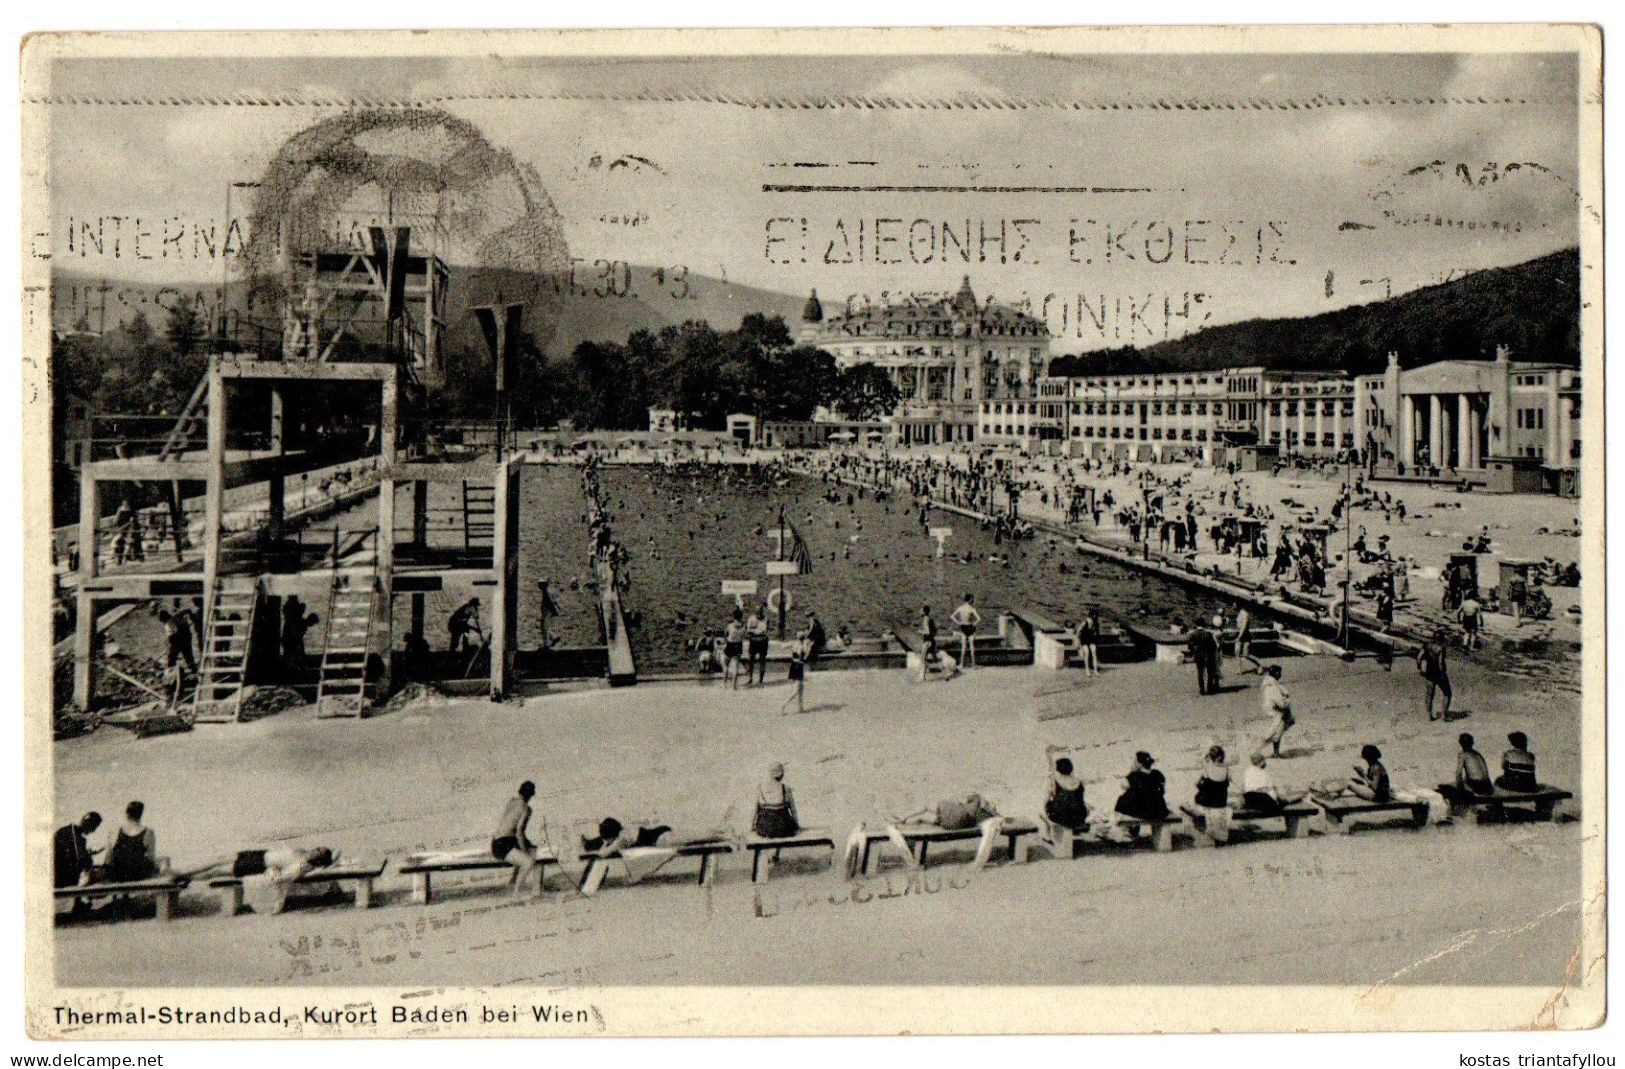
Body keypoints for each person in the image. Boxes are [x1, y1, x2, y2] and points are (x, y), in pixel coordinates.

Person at [492, 781, 545, 897]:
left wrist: (526, 845)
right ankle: (516, 893)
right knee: (528, 862)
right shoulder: (526, 809)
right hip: (504, 845)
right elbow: (519, 832)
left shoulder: (512, 801)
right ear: (530, 795)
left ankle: (535, 891)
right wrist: (525, 849)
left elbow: (510, 827)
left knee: (535, 853)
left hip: (497, 843)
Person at [103, 801, 158, 883]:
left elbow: (108, 856)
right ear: (141, 814)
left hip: (117, 875)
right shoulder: (149, 832)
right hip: (138, 875)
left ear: (126, 814)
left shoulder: (115, 831)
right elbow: (151, 858)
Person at [53, 812, 103, 900]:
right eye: (93, 826)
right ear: (86, 822)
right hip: (63, 883)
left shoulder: (76, 837)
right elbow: (77, 859)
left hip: (68, 883)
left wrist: (88, 854)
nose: (93, 831)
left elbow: (79, 857)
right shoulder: (67, 834)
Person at [1241, 752, 1306, 813]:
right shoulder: (1264, 773)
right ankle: (1294, 800)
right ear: (1261, 762)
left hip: (1250, 800)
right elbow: (1270, 790)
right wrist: (1277, 799)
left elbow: (1244, 788)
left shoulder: (1247, 771)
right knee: (1280, 801)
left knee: (1281, 800)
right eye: (1264, 761)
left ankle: (1288, 801)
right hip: (1264, 801)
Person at [1114, 751, 1169, 822]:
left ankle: (1131, 829)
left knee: (1123, 800)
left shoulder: (1135, 776)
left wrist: (1132, 772)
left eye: (1135, 761)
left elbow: (1123, 785)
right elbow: (1162, 785)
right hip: (1159, 810)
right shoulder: (1156, 773)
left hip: (1145, 811)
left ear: (1140, 764)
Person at [1193, 745, 1233, 844]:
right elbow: (1228, 781)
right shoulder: (1226, 767)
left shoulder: (1208, 767)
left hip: (1207, 800)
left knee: (1196, 798)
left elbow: (1197, 783)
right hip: (1221, 800)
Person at [753, 763, 800, 838]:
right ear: (782, 774)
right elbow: (793, 810)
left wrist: (752, 827)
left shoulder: (761, 787)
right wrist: (797, 826)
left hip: (765, 828)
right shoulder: (785, 788)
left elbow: (755, 810)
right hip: (783, 828)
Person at [1044, 757, 1089, 833]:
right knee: (1085, 805)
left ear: (1057, 769)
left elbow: (1047, 799)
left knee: (1047, 803)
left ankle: (1049, 830)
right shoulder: (1079, 781)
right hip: (1079, 816)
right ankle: (1076, 825)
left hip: (1060, 817)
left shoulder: (1055, 781)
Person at [1259, 664, 1296, 757]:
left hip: (1271, 710)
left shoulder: (1269, 683)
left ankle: (1275, 753)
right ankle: (1257, 752)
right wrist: (1287, 700)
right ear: (1276, 673)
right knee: (1273, 734)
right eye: (1279, 673)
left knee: (1276, 733)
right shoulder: (1273, 686)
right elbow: (1281, 703)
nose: (1280, 675)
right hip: (1277, 712)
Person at [1418, 633, 1453, 721]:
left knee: (1429, 694)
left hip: (1429, 672)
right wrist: (1442, 673)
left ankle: (1429, 715)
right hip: (1439, 673)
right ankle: (1444, 715)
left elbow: (1419, 657)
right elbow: (1440, 662)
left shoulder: (1427, 645)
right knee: (1447, 693)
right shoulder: (1441, 647)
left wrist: (1419, 668)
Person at [1453, 733, 1495, 797]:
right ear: (1472, 743)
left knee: (1456, 785)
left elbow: (1459, 773)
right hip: (1487, 785)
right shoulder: (1477, 754)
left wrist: (1459, 789)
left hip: (1476, 786)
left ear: (1461, 743)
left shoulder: (1463, 754)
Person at [782, 629, 809, 715]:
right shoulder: (802, 646)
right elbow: (804, 657)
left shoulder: (794, 643)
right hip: (799, 666)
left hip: (794, 665)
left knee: (801, 688)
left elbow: (783, 646)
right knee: (797, 690)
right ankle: (783, 705)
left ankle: (800, 707)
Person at [950, 593, 981, 667]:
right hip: (970, 627)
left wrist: (959, 623)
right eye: (972, 599)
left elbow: (952, 616)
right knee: (971, 647)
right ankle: (973, 664)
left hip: (963, 627)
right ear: (970, 599)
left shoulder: (961, 608)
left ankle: (961, 664)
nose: (973, 600)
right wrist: (974, 624)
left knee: (963, 647)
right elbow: (979, 619)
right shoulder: (971, 609)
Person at [745, 605, 770, 686]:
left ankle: (761, 680)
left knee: (762, 660)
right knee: (751, 660)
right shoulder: (751, 619)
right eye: (757, 612)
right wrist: (757, 631)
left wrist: (754, 630)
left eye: (760, 612)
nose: (759, 614)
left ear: (762, 612)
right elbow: (748, 631)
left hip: (762, 641)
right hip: (753, 641)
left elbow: (764, 631)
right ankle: (750, 678)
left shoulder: (765, 619)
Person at [722, 608, 745, 689]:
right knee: (735, 667)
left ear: (733, 616)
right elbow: (743, 637)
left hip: (730, 644)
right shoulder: (743, 626)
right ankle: (734, 686)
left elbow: (725, 635)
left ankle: (724, 684)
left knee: (725, 665)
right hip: (738, 645)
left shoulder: (730, 625)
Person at [1075, 608, 1100, 676]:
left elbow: (1097, 633)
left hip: (1091, 639)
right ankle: (1087, 670)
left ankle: (1095, 670)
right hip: (1084, 639)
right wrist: (1078, 643)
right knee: (1087, 652)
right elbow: (1078, 632)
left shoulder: (1096, 623)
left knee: (1094, 652)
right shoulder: (1084, 623)